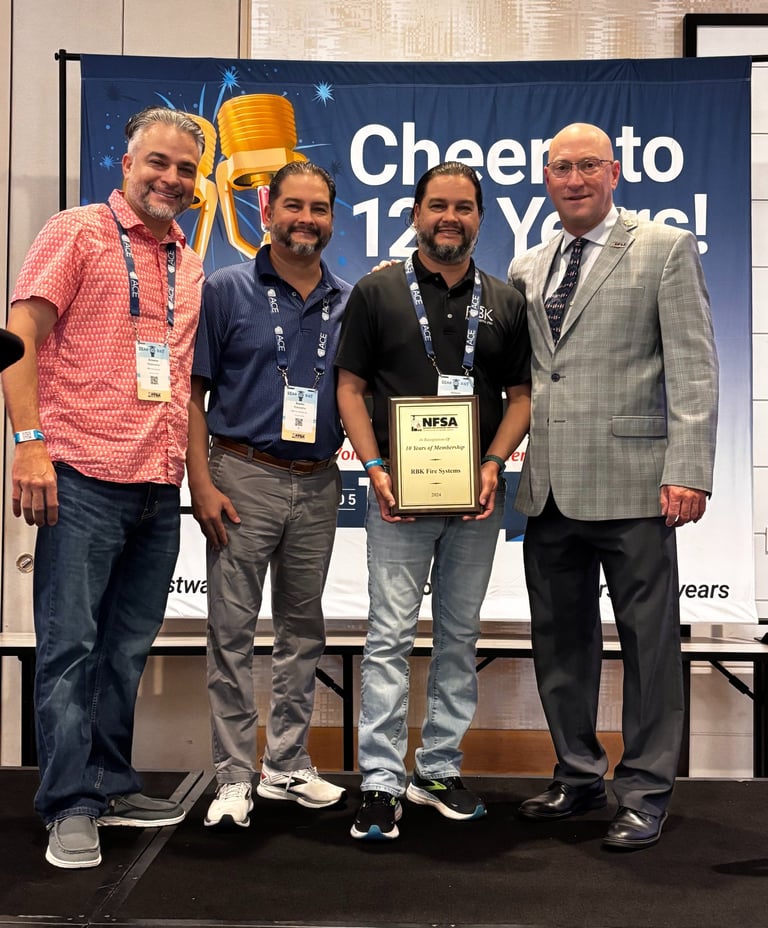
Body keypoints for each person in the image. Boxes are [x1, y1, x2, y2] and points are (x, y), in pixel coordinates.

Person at [1, 106, 206, 869]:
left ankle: (111, 784)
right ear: (126, 164)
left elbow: (180, 382)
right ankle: (68, 803)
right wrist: (29, 446)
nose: (170, 178)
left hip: (157, 486)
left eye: (185, 169)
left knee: (124, 651)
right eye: (158, 161)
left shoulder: (188, 262)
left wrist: (191, 478)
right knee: (69, 649)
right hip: (81, 478)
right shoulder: (77, 233)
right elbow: (18, 339)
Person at [507, 123, 718, 850]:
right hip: (548, 488)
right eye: (561, 167)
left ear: (615, 171)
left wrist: (688, 468)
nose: (575, 179)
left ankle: (646, 791)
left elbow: (694, 367)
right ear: (546, 178)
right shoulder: (527, 264)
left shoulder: (664, 247)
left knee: (649, 648)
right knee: (559, 644)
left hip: (636, 485)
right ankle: (577, 775)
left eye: (589, 165)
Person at [336, 162, 531, 841]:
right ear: (416, 213)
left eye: (464, 207)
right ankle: (381, 781)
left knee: (459, 636)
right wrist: (374, 468)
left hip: (477, 499)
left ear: (480, 218)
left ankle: (439, 769)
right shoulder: (378, 291)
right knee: (389, 636)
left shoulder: (502, 301)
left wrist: (493, 463)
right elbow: (351, 388)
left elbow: (521, 397)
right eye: (438, 205)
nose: (451, 217)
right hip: (399, 497)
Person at [187, 162, 351, 829]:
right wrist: (200, 482)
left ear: (332, 218)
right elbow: (193, 395)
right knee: (231, 632)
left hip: (318, 480)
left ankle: (286, 763)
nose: (305, 219)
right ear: (266, 209)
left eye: (318, 208)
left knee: (302, 630)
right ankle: (233, 776)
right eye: (293, 206)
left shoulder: (350, 300)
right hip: (240, 474)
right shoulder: (225, 289)